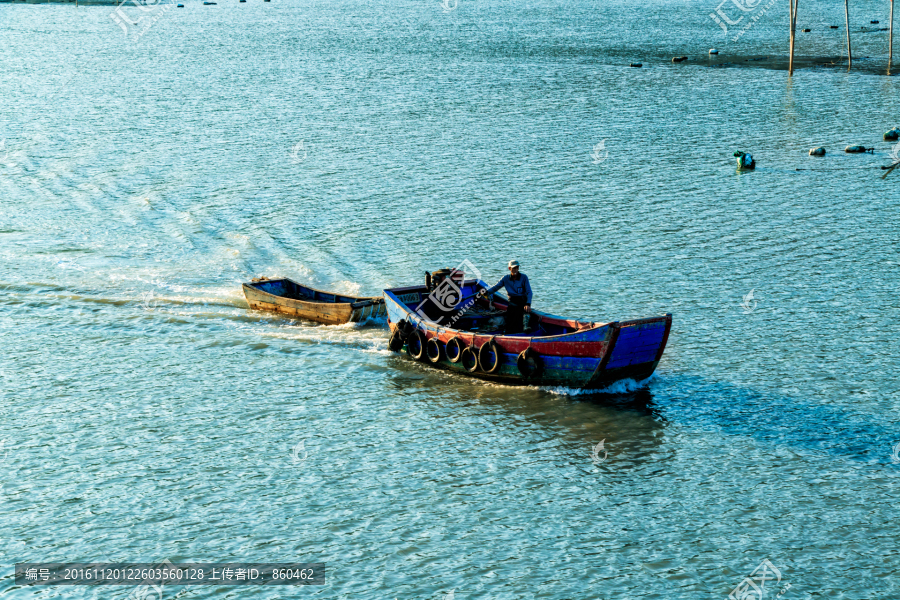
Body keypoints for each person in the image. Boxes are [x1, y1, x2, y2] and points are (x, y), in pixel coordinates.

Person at [483, 260, 533, 334]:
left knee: (524, 313)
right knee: (510, 322)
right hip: (512, 302)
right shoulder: (505, 278)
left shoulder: (524, 277)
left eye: (517, 268)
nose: (515, 270)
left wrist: (528, 304)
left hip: (522, 301)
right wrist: (487, 292)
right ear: (509, 269)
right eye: (513, 268)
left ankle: (525, 328)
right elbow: (496, 287)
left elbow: (529, 292)